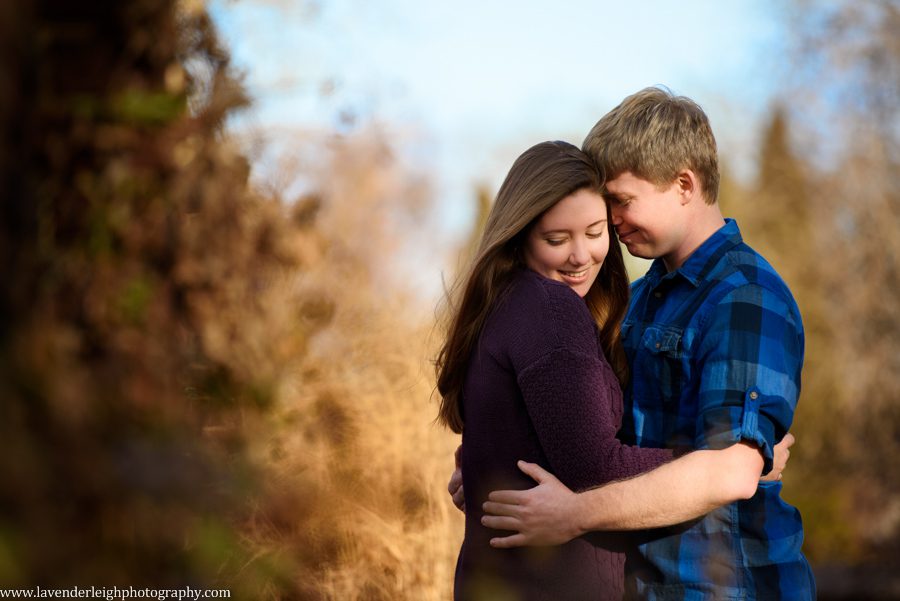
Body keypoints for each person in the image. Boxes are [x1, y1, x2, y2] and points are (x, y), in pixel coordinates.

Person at [475, 87, 816, 600]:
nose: (610, 220)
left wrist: (573, 515)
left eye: (622, 200)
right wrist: (492, 462)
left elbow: (732, 473)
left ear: (683, 184)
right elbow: (590, 434)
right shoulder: (634, 300)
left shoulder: (745, 298)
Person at [436, 140, 688, 601]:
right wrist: (719, 461)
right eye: (556, 240)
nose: (580, 256)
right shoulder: (550, 309)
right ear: (520, 238)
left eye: (595, 232)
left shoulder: (502, 304)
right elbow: (595, 467)